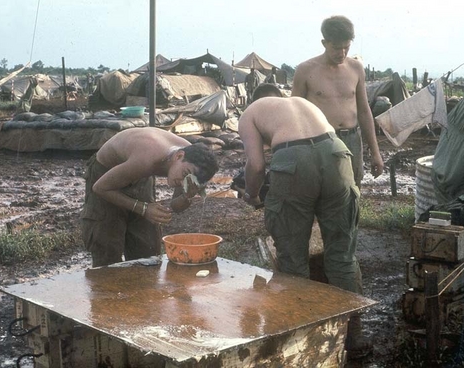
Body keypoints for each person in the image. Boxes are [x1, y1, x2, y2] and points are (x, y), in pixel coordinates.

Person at [238, 95, 372, 359]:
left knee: (293, 260)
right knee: (342, 256)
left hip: (294, 161)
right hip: (336, 152)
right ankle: (354, 336)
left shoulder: (249, 114)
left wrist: (251, 194)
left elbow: (255, 165)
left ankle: (304, 342)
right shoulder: (298, 103)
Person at [80, 127, 219, 268]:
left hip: (140, 175)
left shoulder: (189, 165)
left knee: (147, 250)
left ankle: (142, 286)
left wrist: (187, 196)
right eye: (185, 175)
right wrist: (144, 208)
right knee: (107, 246)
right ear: (178, 156)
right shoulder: (148, 158)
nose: (184, 182)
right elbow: (100, 188)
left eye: (189, 180)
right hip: (106, 173)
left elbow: (175, 206)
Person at [292, 15, 384, 186]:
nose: (342, 53)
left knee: (351, 193)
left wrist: (375, 152)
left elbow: (364, 112)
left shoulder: (356, 68)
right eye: (336, 48)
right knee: (320, 192)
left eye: (346, 47)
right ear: (324, 43)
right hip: (318, 142)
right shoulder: (305, 71)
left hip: (351, 140)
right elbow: (295, 114)